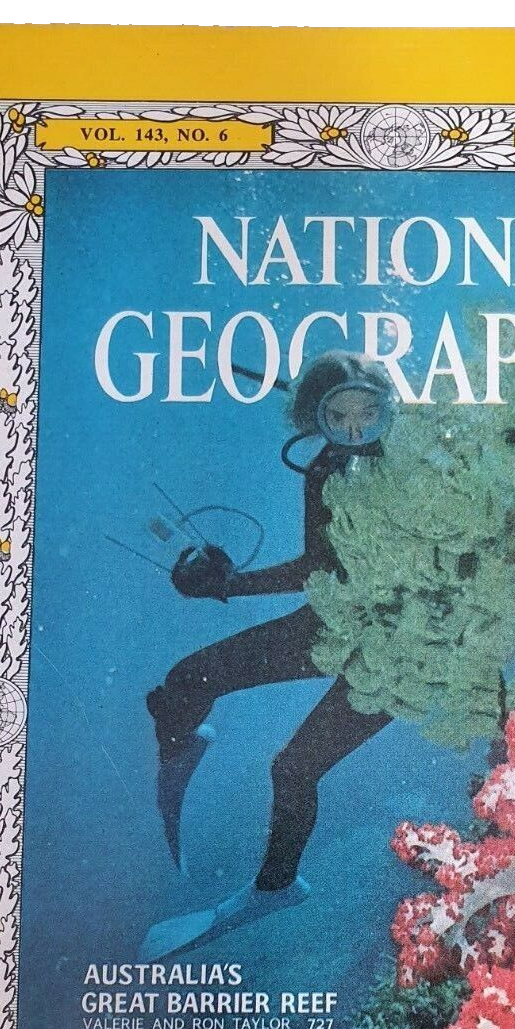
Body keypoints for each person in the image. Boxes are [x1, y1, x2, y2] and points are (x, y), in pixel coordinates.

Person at [141, 354, 393, 960]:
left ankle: (274, 888)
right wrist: (225, 584)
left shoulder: (422, 459)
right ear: (316, 420)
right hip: (333, 618)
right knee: (185, 678)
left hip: (401, 646)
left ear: (388, 405)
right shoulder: (326, 466)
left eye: (367, 411)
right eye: (337, 417)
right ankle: (182, 746)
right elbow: (318, 568)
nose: (355, 429)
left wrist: (231, 586)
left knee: (294, 770)